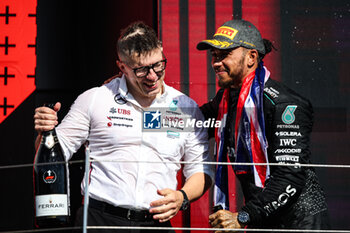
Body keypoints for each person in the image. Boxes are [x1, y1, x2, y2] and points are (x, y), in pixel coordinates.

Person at [34, 21, 214, 233]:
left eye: (158, 65)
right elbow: (52, 155)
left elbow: (202, 170)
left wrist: (181, 198)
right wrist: (45, 132)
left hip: (156, 222)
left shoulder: (185, 107)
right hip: (100, 220)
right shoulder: (95, 99)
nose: (152, 76)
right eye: (141, 70)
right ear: (122, 67)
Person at [197, 19, 330, 232]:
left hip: (300, 224)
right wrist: (143, 103)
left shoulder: (285, 104)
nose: (216, 62)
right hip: (261, 220)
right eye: (214, 55)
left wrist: (243, 216)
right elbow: (189, 121)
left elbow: (290, 176)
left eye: (225, 55)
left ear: (252, 57)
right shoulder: (225, 99)